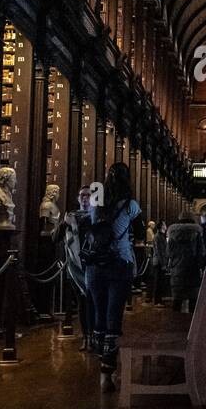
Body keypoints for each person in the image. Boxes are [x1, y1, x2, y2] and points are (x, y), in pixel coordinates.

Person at [85, 162, 141, 389]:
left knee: (98, 314)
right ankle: (107, 373)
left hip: (96, 264)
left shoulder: (97, 195)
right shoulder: (131, 205)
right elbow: (138, 233)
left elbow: (90, 221)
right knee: (113, 317)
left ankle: (102, 363)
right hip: (120, 263)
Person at [54, 185, 94, 349]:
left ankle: (94, 336)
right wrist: (65, 223)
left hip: (92, 266)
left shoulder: (94, 217)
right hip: (75, 268)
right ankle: (86, 337)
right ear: (78, 198)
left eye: (88, 195)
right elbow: (55, 238)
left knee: (93, 303)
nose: (85, 198)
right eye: (82, 195)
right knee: (82, 304)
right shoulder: (71, 216)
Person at [165, 212, 206, 312]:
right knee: (193, 298)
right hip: (193, 268)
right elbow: (201, 252)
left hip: (177, 268)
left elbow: (168, 252)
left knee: (177, 299)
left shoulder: (172, 233)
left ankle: (175, 323)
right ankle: (192, 324)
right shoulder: (197, 233)